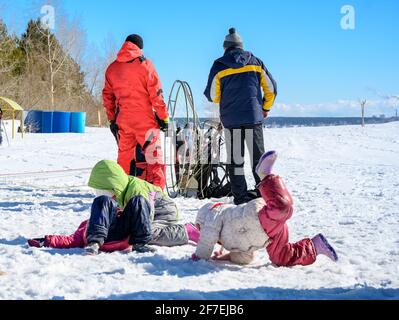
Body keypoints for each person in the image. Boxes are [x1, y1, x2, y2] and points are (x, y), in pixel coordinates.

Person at [192, 151, 338, 266]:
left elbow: (206, 239)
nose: (201, 231)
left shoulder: (212, 214)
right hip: (269, 235)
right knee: (280, 257)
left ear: (201, 221)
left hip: (255, 218)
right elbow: (245, 257)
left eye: (200, 228)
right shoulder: (228, 239)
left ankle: (265, 175)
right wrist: (223, 258)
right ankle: (315, 246)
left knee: (283, 208)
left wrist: (198, 257)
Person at [28, 160, 200, 255]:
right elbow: (71, 240)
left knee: (149, 232)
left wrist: (139, 235)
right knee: (136, 224)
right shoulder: (90, 223)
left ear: (115, 187)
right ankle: (97, 242)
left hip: (163, 211)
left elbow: (143, 213)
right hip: (135, 215)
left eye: (105, 191)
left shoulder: (136, 190)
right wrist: (47, 240)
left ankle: (187, 231)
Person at [204, 28, 277, 205]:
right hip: (253, 118)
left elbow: (213, 95)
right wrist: (265, 107)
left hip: (232, 120)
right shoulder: (255, 62)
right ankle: (263, 194)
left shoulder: (219, 65)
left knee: (236, 160)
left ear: (225, 48)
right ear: (241, 46)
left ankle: (241, 197)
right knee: (259, 161)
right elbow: (271, 88)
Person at [103, 34, 169, 189]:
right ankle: (158, 195)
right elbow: (157, 94)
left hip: (123, 122)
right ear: (139, 47)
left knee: (124, 160)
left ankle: (122, 193)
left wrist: (112, 120)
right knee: (155, 160)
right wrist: (163, 117)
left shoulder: (112, 68)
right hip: (145, 121)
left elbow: (108, 97)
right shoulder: (145, 65)